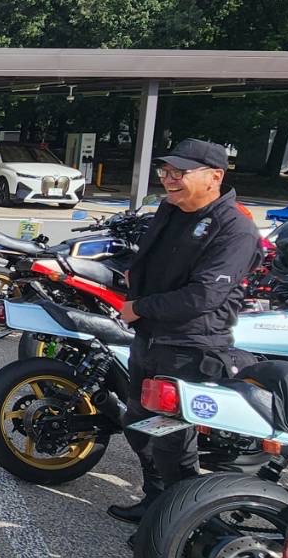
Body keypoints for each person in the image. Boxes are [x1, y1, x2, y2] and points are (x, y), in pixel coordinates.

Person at [108, 138, 262, 523]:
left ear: (215, 177)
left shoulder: (235, 228)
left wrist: (139, 307)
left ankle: (184, 522)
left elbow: (203, 296)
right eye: (166, 171)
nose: (169, 179)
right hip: (150, 337)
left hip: (190, 344)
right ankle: (157, 499)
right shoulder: (171, 209)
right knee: (137, 423)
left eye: (180, 172)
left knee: (172, 439)